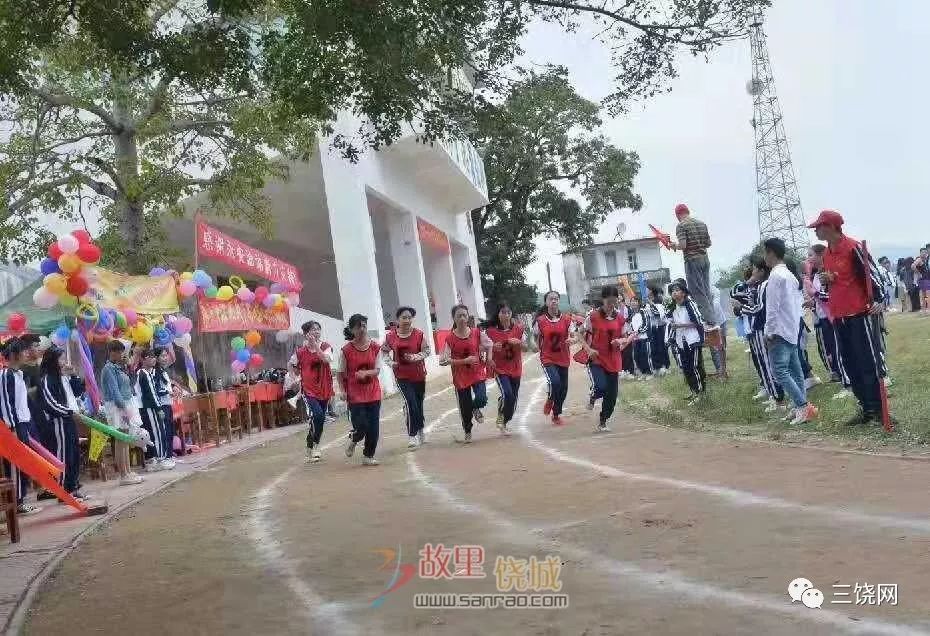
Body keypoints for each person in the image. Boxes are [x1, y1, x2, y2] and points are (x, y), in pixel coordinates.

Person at [809, 210, 890, 426]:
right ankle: (865, 407)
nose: (816, 231)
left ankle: (877, 409)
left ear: (832, 226)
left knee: (867, 362)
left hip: (859, 313)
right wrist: (827, 279)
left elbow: (872, 275)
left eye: (819, 227)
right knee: (849, 363)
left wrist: (879, 300)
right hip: (838, 315)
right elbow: (833, 281)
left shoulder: (853, 247)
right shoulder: (826, 254)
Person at [762, 238, 818, 425]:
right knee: (795, 370)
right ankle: (799, 407)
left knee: (779, 371)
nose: (765, 258)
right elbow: (794, 306)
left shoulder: (776, 276)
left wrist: (769, 331)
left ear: (771, 253)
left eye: (765, 253)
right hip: (792, 328)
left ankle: (803, 406)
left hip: (779, 330)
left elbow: (772, 308)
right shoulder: (790, 276)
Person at [0, 338, 42, 514]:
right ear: (15, 354)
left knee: (23, 463)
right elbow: (6, 404)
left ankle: (21, 498)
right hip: (14, 426)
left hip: (23, 423)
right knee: (15, 465)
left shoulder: (18, 374)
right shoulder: (6, 375)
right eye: (23, 351)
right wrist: (13, 428)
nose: (27, 354)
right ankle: (17, 502)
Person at [39, 346, 86, 499]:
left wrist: (74, 376)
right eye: (61, 359)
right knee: (63, 455)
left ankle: (71, 487)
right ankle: (62, 489)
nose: (64, 361)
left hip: (70, 420)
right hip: (58, 421)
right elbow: (50, 403)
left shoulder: (63, 376)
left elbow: (78, 392)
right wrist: (69, 412)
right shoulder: (48, 378)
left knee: (73, 453)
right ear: (53, 360)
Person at [582, 285, 632, 432]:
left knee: (612, 395)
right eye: (608, 301)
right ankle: (593, 396)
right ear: (603, 300)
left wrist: (621, 341)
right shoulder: (593, 316)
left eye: (614, 301)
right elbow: (579, 333)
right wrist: (588, 349)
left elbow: (626, 337)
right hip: (597, 358)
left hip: (614, 359)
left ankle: (603, 420)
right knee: (601, 386)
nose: (611, 304)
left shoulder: (620, 318)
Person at [441, 304, 491, 443]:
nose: (462, 318)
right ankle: (467, 430)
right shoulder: (450, 339)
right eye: (459, 316)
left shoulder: (476, 332)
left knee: (481, 397)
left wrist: (488, 356)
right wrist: (463, 361)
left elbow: (489, 344)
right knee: (464, 407)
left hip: (477, 372)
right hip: (461, 376)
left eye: (464, 315)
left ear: (468, 316)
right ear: (454, 318)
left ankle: (475, 408)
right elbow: (443, 361)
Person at [337, 314, 383, 465]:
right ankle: (354, 438)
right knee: (362, 425)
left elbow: (377, 370)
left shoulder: (375, 347)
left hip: (373, 392)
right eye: (358, 326)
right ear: (352, 329)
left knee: (374, 427)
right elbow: (340, 373)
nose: (362, 329)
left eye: (364, 325)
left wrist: (365, 373)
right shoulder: (346, 350)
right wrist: (343, 391)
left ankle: (368, 456)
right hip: (355, 394)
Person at [382, 307, 430, 450]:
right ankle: (412, 435)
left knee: (418, 404)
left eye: (409, 317)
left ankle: (421, 428)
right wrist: (391, 363)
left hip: (419, 375)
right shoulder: (390, 336)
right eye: (404, 317)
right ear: (398, 319)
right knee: (411, 403)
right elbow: (384, 353)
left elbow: (427, 351)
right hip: (402, 376)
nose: (407, 320)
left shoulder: (419, 334)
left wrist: (416, 357)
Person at [100, 340, 144, 485]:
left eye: (122, 352)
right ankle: (123, 473)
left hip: (125, 403)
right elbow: (114, 391)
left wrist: (129, 367)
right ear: (113, 352)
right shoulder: (108, 369)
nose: (121, 355)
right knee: (120, 439)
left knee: (125, 439)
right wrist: (124, 409)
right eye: (119, 352)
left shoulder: (120, 368)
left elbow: (131, 383)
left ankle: (128, 471)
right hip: (117, 406)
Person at [290, 321, 335, 462]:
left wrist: (315, 345)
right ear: (306, 334)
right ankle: (315, 446)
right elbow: (291, 365)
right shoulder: (300, 352)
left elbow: (326, 360)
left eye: (318, 329)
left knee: (319, 420)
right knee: (318, 415)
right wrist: (294, 378)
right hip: (308, 390)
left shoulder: (326, 346)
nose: (316, 332)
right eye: (313, 330)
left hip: (324, 388)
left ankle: (311, 443)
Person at [533, 291, 574, 425]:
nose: (554, 301)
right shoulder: (540, 321)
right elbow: (535, 337)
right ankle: (550, 399)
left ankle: (556, 414)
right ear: (546, 302)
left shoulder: (567, 319)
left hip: (563, 357)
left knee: (564, 388)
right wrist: (536, 346)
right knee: (555, 382)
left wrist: (571, 340)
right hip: (548, 357)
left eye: (556, 299)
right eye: (551, 299)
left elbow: (572, 335)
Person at [669, 203, 715, 324]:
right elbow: (708, 243)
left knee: (697, 292)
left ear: (678, 215)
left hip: (692, 260)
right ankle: (713, 318)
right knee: (706, 290)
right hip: (705, 259)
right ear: (688, 211)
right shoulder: (701, 224)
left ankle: (708, 321)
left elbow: (683, 245)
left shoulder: (681, 226)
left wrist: (674, 245)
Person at [483, 302, 524, 435]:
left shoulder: (518, 329)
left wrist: (519, 342)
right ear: (498, 314)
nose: (506, 315)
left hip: (516, 368)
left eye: (508, 312)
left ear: (511, 314)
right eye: (503, 312)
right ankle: (502, 420)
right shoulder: (490, 332)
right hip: (500, 369)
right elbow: (480, 347)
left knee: (513, 399)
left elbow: (531, 347)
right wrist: (492, 347)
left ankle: (505, 417)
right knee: (508, 394)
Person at [806, 244, 843, 386]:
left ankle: (842, 377)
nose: (808, 259)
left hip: (832, 316)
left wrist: (814, 293)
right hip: (822, 317)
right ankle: (836, 373)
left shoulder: (827, 272)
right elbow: (819, 297)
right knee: (828, 348)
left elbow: (829, 296)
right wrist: (813, 302)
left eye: (811, 255)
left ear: (821, 255)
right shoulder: (816, 274)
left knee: (837, 347)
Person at [665, 279, 707, 404]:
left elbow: (698, 322)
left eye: (677, 290)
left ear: (684, 292)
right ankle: (693, 391)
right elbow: (667, 319)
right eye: (672, 291)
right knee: (686, 367)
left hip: (692, 339)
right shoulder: (673, 306)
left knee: (695, 366)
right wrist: (672, 324)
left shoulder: (690, 304)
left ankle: (701, 392)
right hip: (680, 341)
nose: (674, 293)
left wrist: (681, 325)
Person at [136, 349, 171, 470]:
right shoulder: (144, 373)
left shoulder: (145, 373)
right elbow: (151, 394)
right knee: (156, 433)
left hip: (145, 408)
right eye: (150, 357)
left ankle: (152, 460)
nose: (153, 359)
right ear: (143, 359)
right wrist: (159, 408)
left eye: (153, 357)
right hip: (149, 408)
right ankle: (160, 458)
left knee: (150, 434)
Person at [153, 348, 177, 468]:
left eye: (166, 355)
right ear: (156, 358)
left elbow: (166, 386)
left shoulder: (164, 371)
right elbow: (156, 390)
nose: (165, 358)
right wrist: (168, 391)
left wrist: (173, 388)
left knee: (170, 430)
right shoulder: (155, 372)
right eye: (162, 356)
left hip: (168, 403)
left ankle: (170, 455)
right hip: (161, 405)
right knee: (165, 431)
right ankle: (165, 456)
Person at [628, 295, 653, 379]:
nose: (633, 303)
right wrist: (631, 332)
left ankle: (649, 373)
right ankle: (643, 372)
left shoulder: (643, 311)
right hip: (635, 339)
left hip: (644, 338)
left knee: (645, 355)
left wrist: (638, 331)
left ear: (639, 303)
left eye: (635, 301)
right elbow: (631, 326)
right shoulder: (632, 314)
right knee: (637, 356)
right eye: (632, 301)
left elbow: (646, 324)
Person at [647, 288, 670, 375]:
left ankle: (665, 366)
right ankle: (657, 366)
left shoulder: (658, 302)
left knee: (661, 347)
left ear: (652, 292)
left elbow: (657, 314)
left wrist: (651, 304)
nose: (646, 292)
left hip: (660, 328)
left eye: (647, 290)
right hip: (652, 328)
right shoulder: (648, 303)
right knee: (653, 348)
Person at [913, 248, 930, 312]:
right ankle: (928, 308)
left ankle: (924, 308)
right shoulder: (919, 259)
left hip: (925, 279)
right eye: (923, 252)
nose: (924, 254)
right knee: (927, 294)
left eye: (925, 252)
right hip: (924, 279)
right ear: (920, 253)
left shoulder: (925, 260)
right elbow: (913, 266)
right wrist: (918, 272)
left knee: (924, 295)